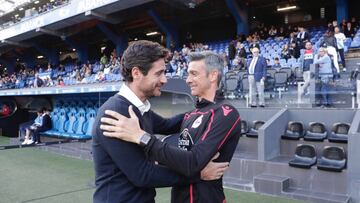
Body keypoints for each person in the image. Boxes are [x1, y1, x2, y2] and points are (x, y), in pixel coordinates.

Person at [92, 40, 227, 203]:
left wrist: (207, 110)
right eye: (158, 73)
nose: (164, 80)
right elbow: (143, 175)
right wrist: (199, 174)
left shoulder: (139, 107)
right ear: (136, 73)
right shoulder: (116, 112)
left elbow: (167, 125)